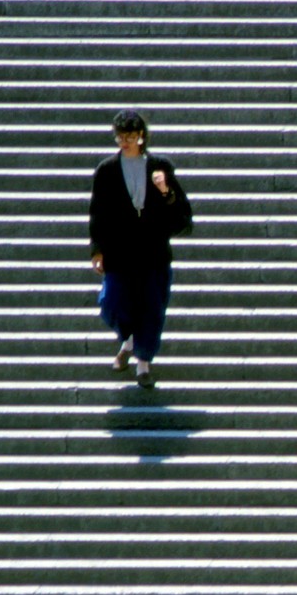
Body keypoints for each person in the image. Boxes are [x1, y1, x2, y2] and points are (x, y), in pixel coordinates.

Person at [89, 110, 192, 388]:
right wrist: (97, 249)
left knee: (152, 307)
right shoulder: (107, 170)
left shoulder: (159, 166)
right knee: (111, 302)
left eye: (131, 136)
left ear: (142, 136)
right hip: (119, 251)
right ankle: (130, 339)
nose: (125, 142)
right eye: (121, 137)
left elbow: (180, 209)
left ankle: (143, 363)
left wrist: (164, 190)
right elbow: (98, 211)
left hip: (153, 251)